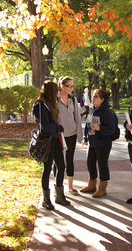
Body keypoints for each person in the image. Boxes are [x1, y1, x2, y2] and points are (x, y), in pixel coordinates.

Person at [33, 80, 70, 210]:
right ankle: (46, 199)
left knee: (61, 165)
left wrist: (57, 128)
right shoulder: (40, 105)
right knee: (47, 169)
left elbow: (51, 124)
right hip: (46, 142)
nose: (58, 93)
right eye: (56, 90)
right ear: (50, 91)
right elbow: (45, 127)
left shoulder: (50, 104)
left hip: (54, 140)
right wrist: (58, 127)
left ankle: (59, 196)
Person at [80, 89, 115, 198]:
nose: (93, 98)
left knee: (102, 165)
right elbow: (87, 125)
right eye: (93, 96)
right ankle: (92, 185)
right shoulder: (92, 110)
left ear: (102, 99)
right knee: (90, 163)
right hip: (92, 142)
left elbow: (111, 129)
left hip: (103, 143)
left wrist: (99, 128)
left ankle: (102, 188)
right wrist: (85, 138)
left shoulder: (107, 112)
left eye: (96, 96)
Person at [57, 76, 83, 195]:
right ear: (62, 86)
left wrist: (80, 136)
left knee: (70, 160)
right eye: (69, 86)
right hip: (59, 135)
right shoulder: (55, 99)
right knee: (58, 162)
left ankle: (71, 187)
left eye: (72, 86)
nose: (71, 88)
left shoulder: (73, 99)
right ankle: (58, 187)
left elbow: (77, 117)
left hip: (71, 134)